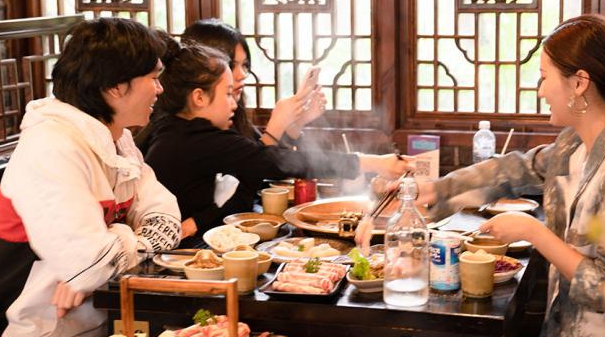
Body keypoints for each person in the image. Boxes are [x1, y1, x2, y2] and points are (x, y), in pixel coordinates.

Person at [359, 14, 605, 337]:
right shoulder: (577, 142)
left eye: (543, 78)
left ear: (579, 83)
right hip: (567, 335)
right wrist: (436, 189)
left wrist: (532, 231)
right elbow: (517, 168)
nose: (540, 92)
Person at [0, 18, 181, 337]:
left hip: (101, 328)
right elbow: (91, 266)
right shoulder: (51, 148)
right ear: (117, 86)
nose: (160, 89)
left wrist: (111, 247)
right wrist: (121, 240)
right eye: (153, 78)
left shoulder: (118, 140)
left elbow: (168, 219)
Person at [143, 36, 411, 246]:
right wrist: (373, 162)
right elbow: (278, 162)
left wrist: (198, 220)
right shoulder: (198, 140)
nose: (234, 102)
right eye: (227, 94)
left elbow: (250, 179)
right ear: (199, 97)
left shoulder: (179, 130)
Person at [180, 18, 324, 147]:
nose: (242, 74)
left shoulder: (235, 113)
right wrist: (277, 124)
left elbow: (270, 162)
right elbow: (256, 164)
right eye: (231, 65)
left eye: (244, 65)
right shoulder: (188, 134)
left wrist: (295, 125)